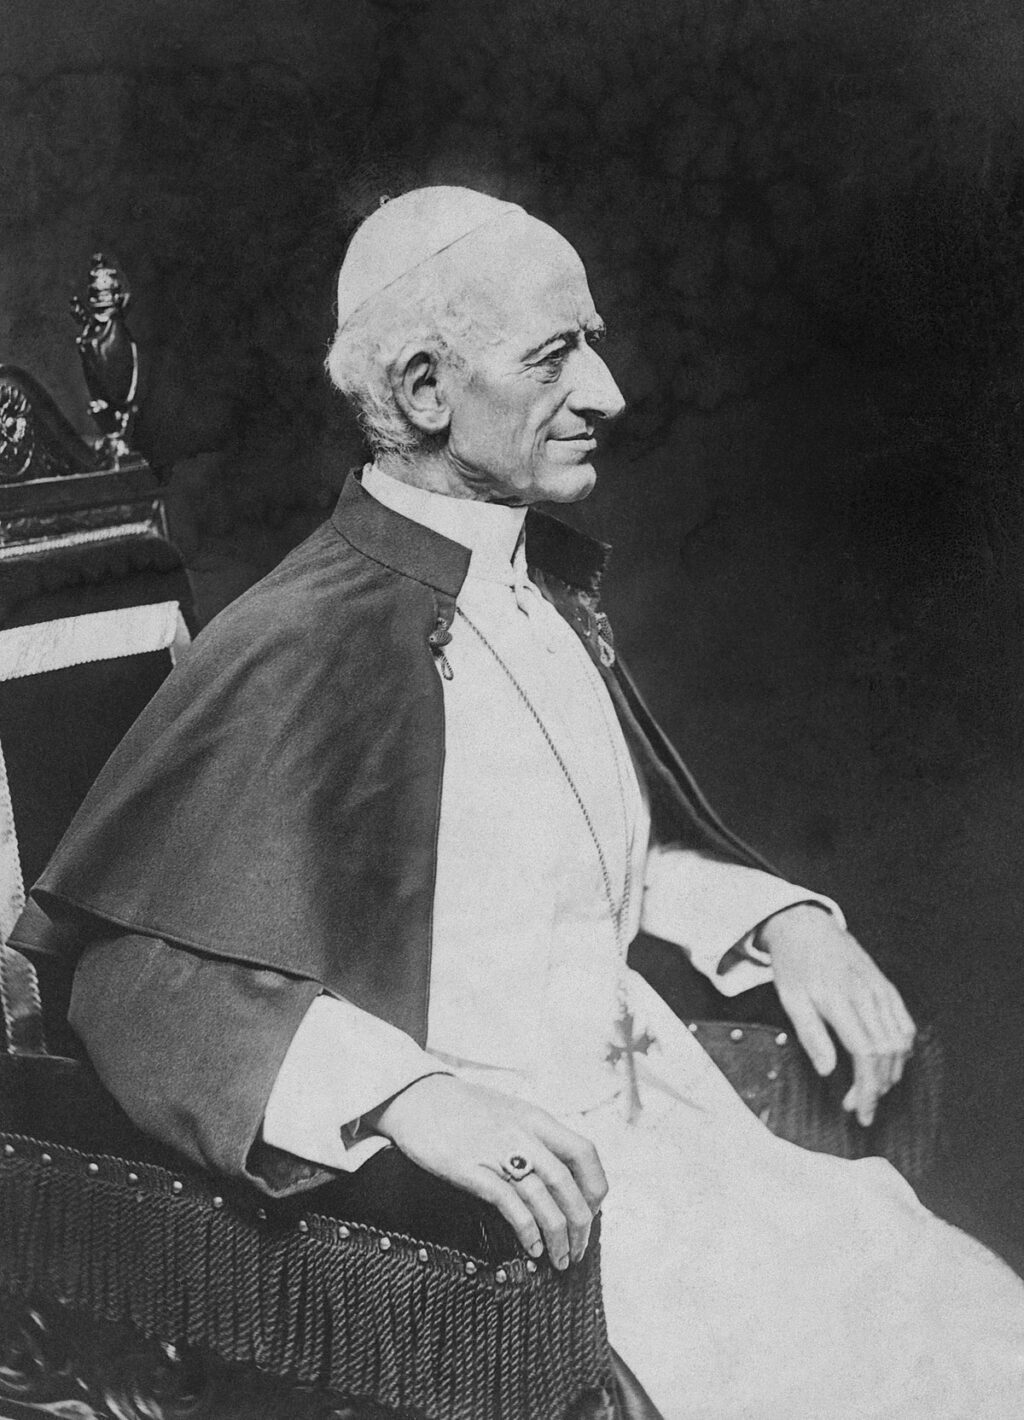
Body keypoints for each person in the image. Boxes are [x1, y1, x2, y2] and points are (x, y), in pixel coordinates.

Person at [25, 187, 1024, 1419]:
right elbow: (130, 976)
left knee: (959, 1323)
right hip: (513, 1214)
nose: (604, 391)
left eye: (590, 343)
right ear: (428, 390)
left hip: (671, 1138)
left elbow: (590, 844)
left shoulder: (531, 587)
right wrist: (406, 1095)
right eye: (555, 354)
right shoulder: (295, 642)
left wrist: (785, 925)